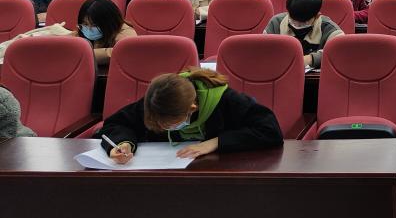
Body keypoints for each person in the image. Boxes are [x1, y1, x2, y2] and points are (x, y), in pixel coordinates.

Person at [96, 68, 284, 164]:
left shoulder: (228, 101)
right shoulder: (158, 101)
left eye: (169, 124)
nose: (164, 128)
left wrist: (215, 143)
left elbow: (270, 131)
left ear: (192, 108)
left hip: (220, 176)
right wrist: (123, 143)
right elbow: (115, 124)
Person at [263, 0, 343, 70]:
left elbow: (339, 51)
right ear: (288, 12)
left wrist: (310, 59)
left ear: (317, 16)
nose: (297, 25)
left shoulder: (328, 27)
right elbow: (264, 49)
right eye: (293, 20)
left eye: (304, 22)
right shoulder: (276, 22)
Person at [77, 0, 136, 64]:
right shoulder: (82, 29)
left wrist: (81, 54)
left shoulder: (125, 32)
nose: (89, 28)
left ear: (109, 22)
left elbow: (126, 50)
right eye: (85, 24)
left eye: (94, 25)